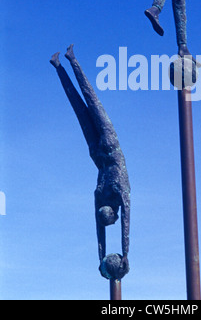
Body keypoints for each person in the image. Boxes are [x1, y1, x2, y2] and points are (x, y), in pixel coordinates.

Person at [50, 45, 130, 280]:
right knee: (90, 100)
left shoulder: (103, 199)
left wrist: (102, 257)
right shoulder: (119, 195)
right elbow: (125, 223)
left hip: (97, 150)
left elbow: (101, 231)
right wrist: (125, 252)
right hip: (108, 146)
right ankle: (70, 60)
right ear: (112, 214)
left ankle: (59, 65)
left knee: (80, 106)